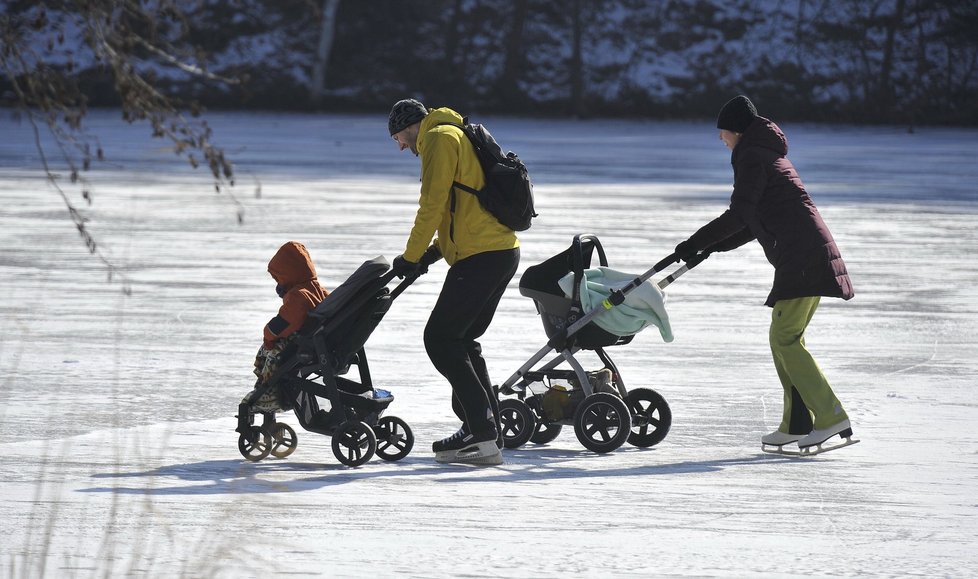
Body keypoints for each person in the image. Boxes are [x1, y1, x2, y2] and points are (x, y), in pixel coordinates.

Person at [673, 95, 855, 452]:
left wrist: (695, 241)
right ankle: (797, 423)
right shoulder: (763, 153)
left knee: (785, 338)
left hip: (802, 258)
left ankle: (830, 416)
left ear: (737, 131)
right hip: (804, 255)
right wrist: (709, 247)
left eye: (723, 132)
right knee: (783, 338)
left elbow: (739, 215)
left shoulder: (752, 157)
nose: (720, 139)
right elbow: (751, 221)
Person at [388, 98, 520, 465]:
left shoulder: (439, 139)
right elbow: (460, 206)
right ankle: (486, 426)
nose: (400, 146)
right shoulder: (453, 134)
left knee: (440, 339)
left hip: (482, 256)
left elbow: (431, 203)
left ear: (411, 125)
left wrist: (410, 257)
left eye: (398, 137)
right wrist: (433, 251)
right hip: (497, 252)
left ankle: (480, 431)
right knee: (462, 339)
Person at [242, 241, 329, 424]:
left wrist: (268, 335)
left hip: (297, 348)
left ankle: (267, 395)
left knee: (267, 355)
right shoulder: (319, 290)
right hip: (313, 343)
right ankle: (265, 386)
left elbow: (285, 322)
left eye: (278, 278)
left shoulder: (298, 295)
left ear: (288, 274)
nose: (278, 283)